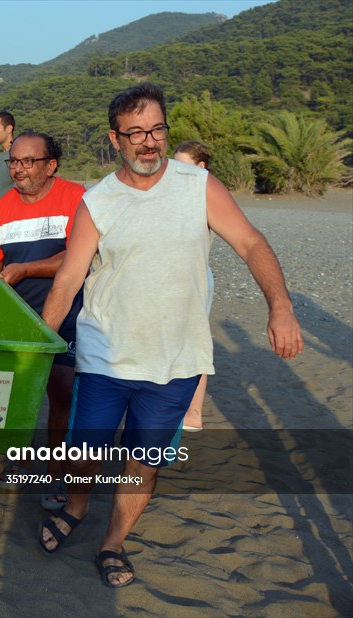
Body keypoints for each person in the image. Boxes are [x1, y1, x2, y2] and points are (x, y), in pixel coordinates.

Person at [38, 84, 302, 588]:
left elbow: (249, 241)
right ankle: (75, 505)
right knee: (84, 453)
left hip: (176, 362)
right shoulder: (98, 201)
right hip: (106, 357)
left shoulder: (197, 185)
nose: (148, 142)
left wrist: (281, 305)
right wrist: (42, 341)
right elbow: (69, 278)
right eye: (134, 133)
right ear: (115, 139)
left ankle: (113, 542)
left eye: (156, 129)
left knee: (143, 461)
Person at [0, 130, 85, 511]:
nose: (19, 169)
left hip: (69, 313)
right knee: (14, 396)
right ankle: (23, 461)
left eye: (29, 161)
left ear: (51, 165)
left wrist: (26, 269)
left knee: (61, 391)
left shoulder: (76, 198)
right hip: (18, 316)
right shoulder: (3, 206)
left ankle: (56, 470)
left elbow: (80, 256)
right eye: (14, 161)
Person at [174, 140, 213, 432]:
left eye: (183, 165)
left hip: (196, 277)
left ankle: (194, 412)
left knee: (195, 342)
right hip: (177, 276)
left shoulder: (207, 195)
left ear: (201, 168)